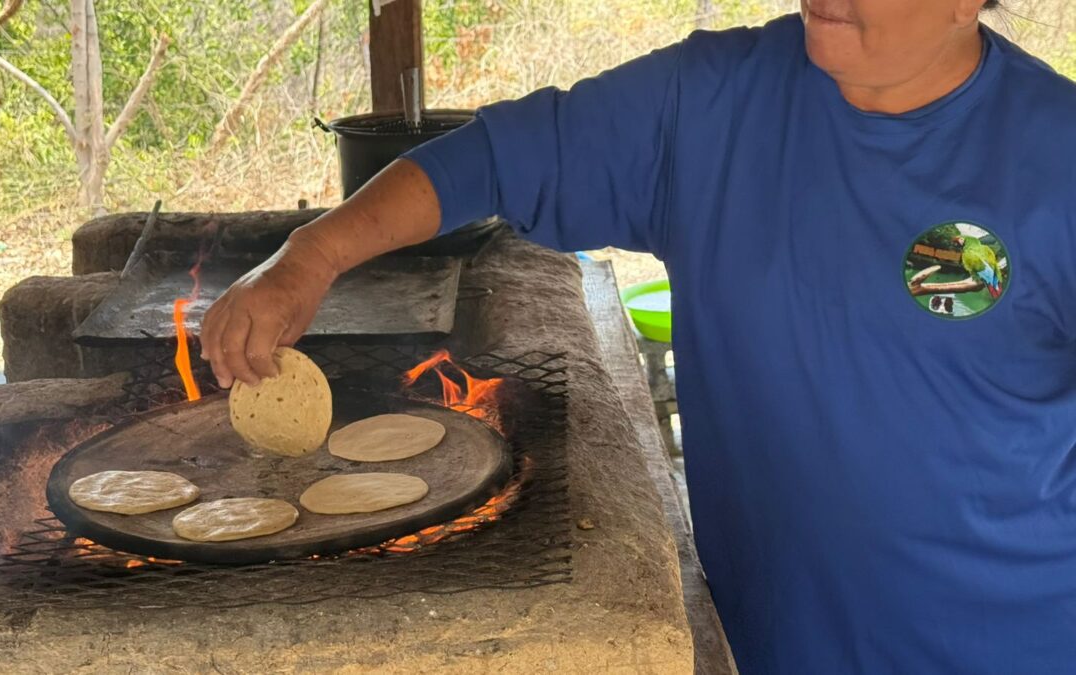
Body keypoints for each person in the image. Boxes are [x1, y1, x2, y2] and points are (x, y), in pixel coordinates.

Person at [201, 1, 1076, 672]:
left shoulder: (1054, 154)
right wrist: (309, 256)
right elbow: (499, 154)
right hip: (765, 641)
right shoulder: (714, 101)